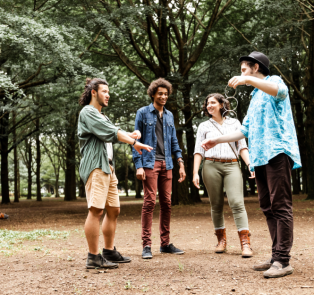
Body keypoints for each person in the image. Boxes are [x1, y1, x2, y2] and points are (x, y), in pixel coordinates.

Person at [201, 51, 301, 278]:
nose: (241, 74)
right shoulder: (256, 96)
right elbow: (243, 131)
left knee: (281, 205)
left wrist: (246, 79)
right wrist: (216, 139)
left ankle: (283, 261)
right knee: (268, 206)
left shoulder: (273, 82)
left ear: (256, 67)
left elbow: (281, 92)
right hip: (260, 158)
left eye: (244, 69)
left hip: (277, 152)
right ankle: (276, 256)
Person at [78, 77, 153, 269]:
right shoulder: (88, 111)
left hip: (108, 166)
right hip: (96, 166)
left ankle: (108, 251)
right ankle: (93, 257)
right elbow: (108, 131)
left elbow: (111, 131)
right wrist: (134, 142)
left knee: (113, 210)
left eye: (108, 91)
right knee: (96, 210)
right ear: (93, 92)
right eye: (104, 91)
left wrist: (130, 135)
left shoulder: (103, 116)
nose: (108, 94)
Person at [193, 93, 254, 258]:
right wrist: (195, 172)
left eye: (212, 102)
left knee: (237, 202)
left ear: (221, 104)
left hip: (232, 164)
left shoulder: (235, 123)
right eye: (207, 103)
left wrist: (249, 165)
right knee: (216, 204)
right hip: (211, 165)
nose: (209, 106)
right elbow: (198, 151)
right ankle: (221, 241)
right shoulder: (203, 126)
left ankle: (245, 243)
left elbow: (242, 146)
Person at [132, 78, 186, 259]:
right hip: (149, 163)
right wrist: (138, 165)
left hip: (167, 164)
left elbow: (174, 141)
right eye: (160, 93)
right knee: (149, 203)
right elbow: (135, 142)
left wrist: (180, 162)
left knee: (167, 204)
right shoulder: (142, 113)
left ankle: (165, 244)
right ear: (153, 94)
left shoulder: (169, 116)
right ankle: (146, 245)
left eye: (166, 94)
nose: (163, 96)